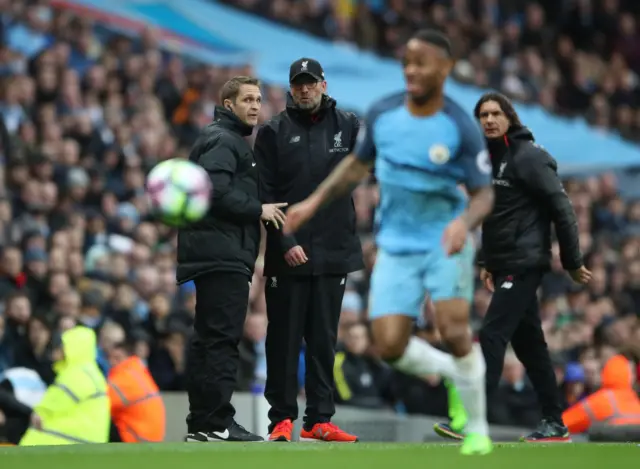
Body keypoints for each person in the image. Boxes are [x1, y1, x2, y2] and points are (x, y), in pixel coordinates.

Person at [283, 29, 495, 456]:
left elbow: (485, 193)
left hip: (444, 241)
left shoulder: (458, 125)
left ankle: (478, 429)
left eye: (421, 63)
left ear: (445, 68)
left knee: (454, 330)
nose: (411, 71)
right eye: (407, 64)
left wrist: (464, 224)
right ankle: (457, 373)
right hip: (396, 245)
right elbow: (356, 168)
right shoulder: (382, 113)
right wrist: (311, 203)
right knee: (390, 346)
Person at [434, 92, 591, 443]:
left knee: (491, 334)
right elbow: (497, 216)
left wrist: (572, 262)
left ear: (510, 117)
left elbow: (562, 208)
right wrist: (488, 261)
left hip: (525, 263)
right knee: (531, 346)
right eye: (483, 115)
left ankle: (470, 419)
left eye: (495, 113)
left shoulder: (529, 157)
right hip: (506, 264)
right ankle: (555, 423)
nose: (489, 120)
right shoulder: (490, 160)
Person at [253, 58, 362, 443]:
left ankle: (319, 419)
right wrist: (286, 242)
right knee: (283, 338)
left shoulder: (348, 126)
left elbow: (368, 169)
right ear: (290, 88)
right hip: (289, 253)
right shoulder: (273, 132)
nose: (304, 89)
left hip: (334, 251)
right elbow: (265, 195)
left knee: (323, 340)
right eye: (298, 84)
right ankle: (281, 419)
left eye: (310, 83)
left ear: (323, 85)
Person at [177, 76, 287, 443]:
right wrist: (260, 208)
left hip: (215, 251)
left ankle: (203, 423)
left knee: (209, 338)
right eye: (247, 100)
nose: (256, 106)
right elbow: (215, 190)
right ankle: (219, 420)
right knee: (222, 338)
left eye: (259, 99)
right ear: (228, 105)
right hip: (222, 253)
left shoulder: (221, 139)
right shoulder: (224, 141)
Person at [19, 326, 110, 446]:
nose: (60, 349)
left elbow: (59, 398)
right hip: (88, 439)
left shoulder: (77, 372)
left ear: (75, 347)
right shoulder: (92, 372)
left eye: (64, 345)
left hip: (70, 437)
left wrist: (40, 412)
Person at [562, 354, 640, 434]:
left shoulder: (601, 400)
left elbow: (563, 423)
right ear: (629, 376)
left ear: (605, 373)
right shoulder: (635, 400)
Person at [107, 339, 166, 443]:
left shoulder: (123, 378)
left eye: (117, 358)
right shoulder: (139, 372)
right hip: (151, 438)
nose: (112, 362)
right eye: (110, 358)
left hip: (134, 438)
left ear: (128, 357)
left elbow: (100, 404)